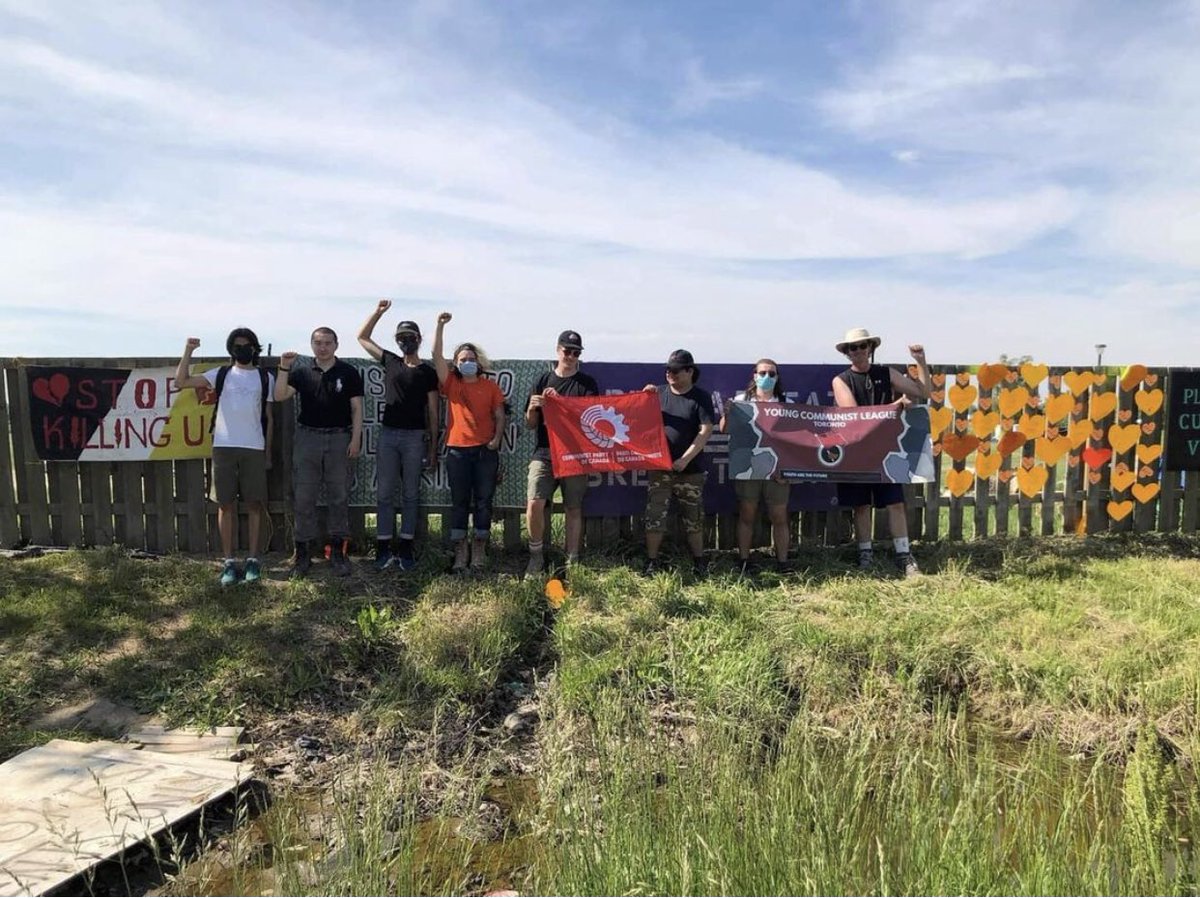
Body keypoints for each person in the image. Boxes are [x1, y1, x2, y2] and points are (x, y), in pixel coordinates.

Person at [175, 329, 274, 587]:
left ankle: (253, 560)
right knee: (225, 505)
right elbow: (181, 382)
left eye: (247, 345)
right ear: (231, 350)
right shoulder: (220, 374)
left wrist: (268, 451)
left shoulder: (265, 377)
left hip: (254, 446)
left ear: (255, 348)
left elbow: (269, 417)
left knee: (255, 505)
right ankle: (228, 562)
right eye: (237, 345)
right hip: (223, 447)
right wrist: (188, 351)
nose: (243, 349)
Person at [831, 327, 931, 578]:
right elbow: (855, 416)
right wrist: (896, 405)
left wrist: (920, 362)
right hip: (856, 450)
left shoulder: (886, 373)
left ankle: (904, 555)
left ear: (870, 348)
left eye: (862, 346)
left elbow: (923, 392)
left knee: (895, 503)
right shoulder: (841, 380)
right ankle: (865, 554)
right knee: (861, 506)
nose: (857, 351)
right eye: (852, 348)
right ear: (846, 353)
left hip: (888, 449)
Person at [357, 301, 440, 571]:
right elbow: (362, 337)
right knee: (384, 493)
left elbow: (434, 410)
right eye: (401, 338)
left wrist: (433, 446)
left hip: (416, 437)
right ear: (396, 341)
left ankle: (405, 547)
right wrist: (378, 313)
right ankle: (383, 548)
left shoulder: (427, 372)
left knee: (411, 494)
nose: (406, 342)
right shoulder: (390, 361)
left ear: (419, 339)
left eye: (410, 337)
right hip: (388, 436)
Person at [274, 327, 364, 578]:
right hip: (308, 438)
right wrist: (283, 367)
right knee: (304, 498)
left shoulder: (348, 372)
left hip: (339, 438)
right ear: (311, 345)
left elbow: (357, 409)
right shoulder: (302, 372)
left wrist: (355, 439)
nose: (322, 347)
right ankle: (302, 554)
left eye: (327, 343)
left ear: (336, 345)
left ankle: (337, 552)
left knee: (338, 497)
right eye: (317, 343)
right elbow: (280, 395)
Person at [432, 312, 506, 572]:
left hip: (485, 451)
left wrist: (496, 439)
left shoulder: (490, 386)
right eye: (463, 360)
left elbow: (499, 414)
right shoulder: (451, 384)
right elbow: (436, 356)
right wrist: (440, 326)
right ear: (456, 363)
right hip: (457, 452)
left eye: (471, 359)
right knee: (460, 501)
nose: (468, 363)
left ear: (479, 362)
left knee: (485, 501)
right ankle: (460, 550)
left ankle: (479, 548)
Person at [523, 330, 600, 577]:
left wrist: (562, 404)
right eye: (567, 351)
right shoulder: (543, 379)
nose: (571, 355)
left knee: (573, 507)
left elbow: (590, 421)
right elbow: (530, 423)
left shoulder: (587, 384)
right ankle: (536, 556)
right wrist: (534, 408)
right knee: (534, 503)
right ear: (558, 350)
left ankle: (572, 559)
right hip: (545, 452)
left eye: (576, 352)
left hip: (575, 454)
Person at [641, 349, 715, 576]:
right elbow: (637, 420)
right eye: (667, 370)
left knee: (693, 518)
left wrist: (685, 459)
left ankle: (699, 562)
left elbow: (706, 430)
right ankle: (652, 562)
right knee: (655, 517)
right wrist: (644, 398)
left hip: (690, 470)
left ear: (689, 371)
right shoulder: (658, 394)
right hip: (660, 469)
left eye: (675, 370)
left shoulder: (701, 397)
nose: (670, 374)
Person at [718, 358, 792, 575]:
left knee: (780, 517)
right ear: (754, 375)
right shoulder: (741, 401)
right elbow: (725, 429)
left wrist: (787, 469)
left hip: (777, 470)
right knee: (747, 515)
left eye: (771, 374)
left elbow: (795, 441)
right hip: (748, 467)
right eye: (763, 373)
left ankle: (782, 562)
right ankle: (743, 560)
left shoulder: (785, 404)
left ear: (777, 377)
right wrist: (728, 412)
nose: (767, 377)